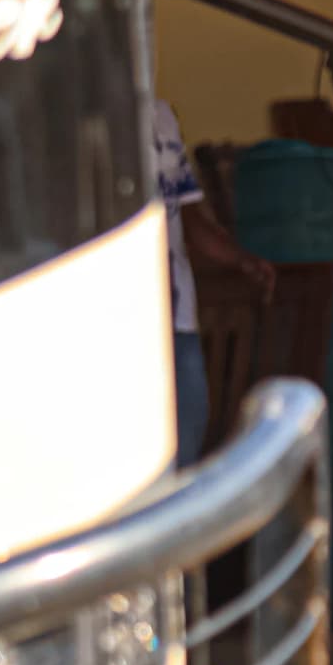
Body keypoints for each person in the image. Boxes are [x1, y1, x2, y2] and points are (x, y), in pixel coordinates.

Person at [151, 97, 212, 461]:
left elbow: (189, 214)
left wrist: (243, 262)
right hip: (121, 319)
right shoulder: (85, 110)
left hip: (179, 316)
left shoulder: (163, 116)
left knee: (188, 439)